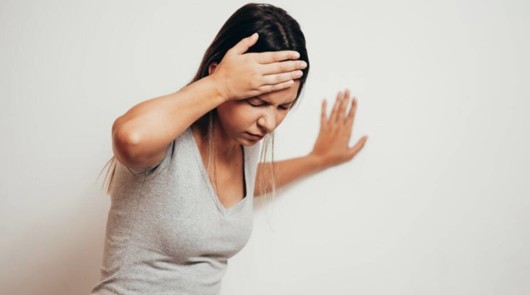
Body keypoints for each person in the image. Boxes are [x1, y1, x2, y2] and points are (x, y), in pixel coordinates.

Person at [91, 3, 368, 294]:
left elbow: (241, 185)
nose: (269, 122)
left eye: (284, 106)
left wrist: (318, 158)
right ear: (222, 75)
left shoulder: (243, 140)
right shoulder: (165, 140)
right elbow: (130, 138)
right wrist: (220, 85)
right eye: (257, 102)